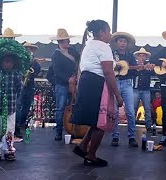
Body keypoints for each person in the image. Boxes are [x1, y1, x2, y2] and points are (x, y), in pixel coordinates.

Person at [71, 20, 123, 167]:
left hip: (88, 81)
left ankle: (83, 147)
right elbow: (108, 72)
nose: (110, 35)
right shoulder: (103, 46)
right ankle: (91, 155)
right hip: (97, 83)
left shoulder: (89, 45)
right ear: (101, 32)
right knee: (101, 121)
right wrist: (118, 95)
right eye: (109, 31)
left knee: (95, 121)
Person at [0, 38, 30, 162]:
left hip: (10, 107)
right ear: (0, 61)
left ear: (14, 62)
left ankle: (9, 150)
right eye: (5, 61)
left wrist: (13, 98)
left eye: (10, 61)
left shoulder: (16, 74)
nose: (8, 64)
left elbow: (19, 88)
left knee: (10, 129)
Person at [50, 29, 80, 141]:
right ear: (61, 42)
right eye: (66, 40)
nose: (68, 42)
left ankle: (71, 130)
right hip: (62, 84)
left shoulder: (72, 51)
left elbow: (80, 58)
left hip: (73, 83)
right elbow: (57, 72)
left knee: (71, 107)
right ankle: (58, 131)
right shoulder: (56, 55)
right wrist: (68, 79)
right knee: (60, 108)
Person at [110, 32, 138, 147]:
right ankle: (115, 136)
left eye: (124, 41)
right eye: (120, 41)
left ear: (127, 44)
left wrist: (135, 68)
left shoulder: (130, 56)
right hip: (115, 83)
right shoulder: (111, 54)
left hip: (127, 84)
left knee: (130, 111)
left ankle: (132, 136)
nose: (122, 43)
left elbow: (135, 72)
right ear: (117, 43)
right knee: (115, 112)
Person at [14, 42, 41, 142]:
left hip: (30, 85)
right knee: (19, 105)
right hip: (21, 84)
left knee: (26, 105)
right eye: (28, 48)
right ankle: (17, 126)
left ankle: (22, 123)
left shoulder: (34, 61)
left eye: (31, 48)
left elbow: (37, 70)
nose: (29, 50)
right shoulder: (21, 59)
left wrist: (34, 66)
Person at [133, 47, 155, 133]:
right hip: (136, 89)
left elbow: (153, 72)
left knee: (147, 108)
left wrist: (149, 68)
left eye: (143, 56)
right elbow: (132, 74)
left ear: (145, 57)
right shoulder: (134, 65)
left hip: (145, 89)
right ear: (137, 57)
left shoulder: (148, 65)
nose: (141, 57)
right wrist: (139, 68)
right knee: (133, 108)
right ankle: (132, 125)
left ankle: (148, 126)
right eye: (140, 55)